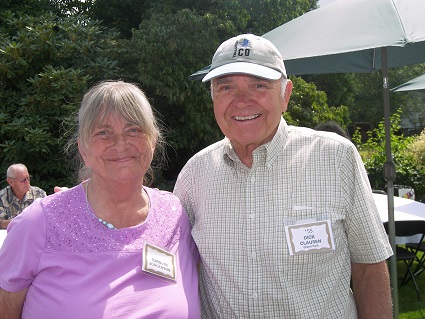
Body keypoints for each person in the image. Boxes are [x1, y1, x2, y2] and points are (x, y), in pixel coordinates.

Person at [174, 34, 393, 318]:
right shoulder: (195, 174)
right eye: (226, 87)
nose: (242, 101)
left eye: (259, 85)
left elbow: (369, 268)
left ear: (286, 94)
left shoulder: (336, 158)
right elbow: (180, 273)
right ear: (213, 97)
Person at [0, 81, 201, 319]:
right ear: (83, 149)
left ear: (153, 141)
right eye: (103, 133)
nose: (121, 143)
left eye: (134, 129)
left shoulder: (174, 215)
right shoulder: (38, 224)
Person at [0, 164, 46, 230]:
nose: (27, 182)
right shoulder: (2, 197)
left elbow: (48, 218)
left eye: (28, 178)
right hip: (10, 237)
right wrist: (19, 222)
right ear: (10, 181)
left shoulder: (39, 194)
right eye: (23, 180)